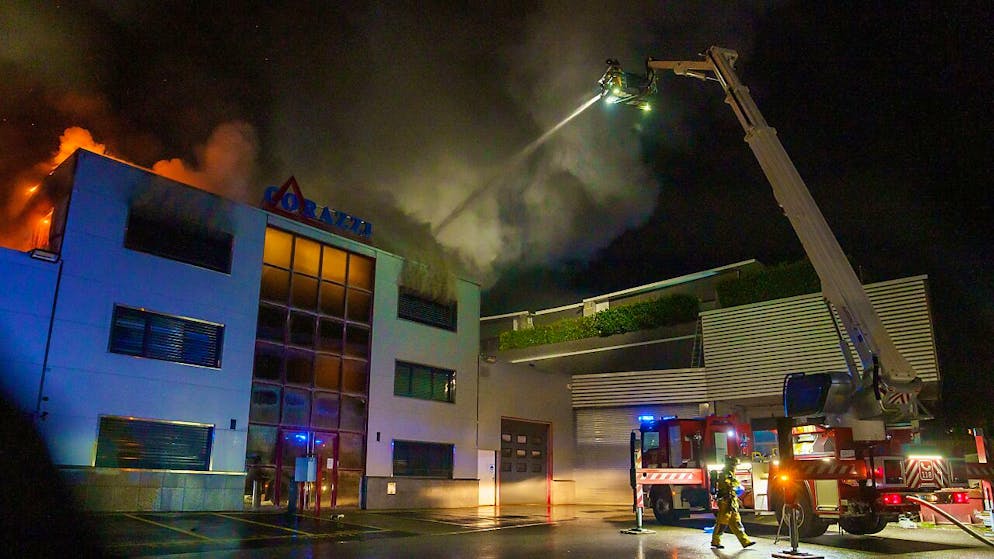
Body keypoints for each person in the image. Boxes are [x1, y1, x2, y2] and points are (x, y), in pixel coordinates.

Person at [711, 455, 755, 550]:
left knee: (737, 523)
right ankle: (715, 541)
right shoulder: (725, 474)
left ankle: (745, 541)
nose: (735, 467)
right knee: (722, 523)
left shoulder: (730, 474)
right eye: (735, 465)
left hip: (731, 503)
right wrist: (736, 486)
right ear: (731, 465)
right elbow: (728, 485)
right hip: (726, 502)